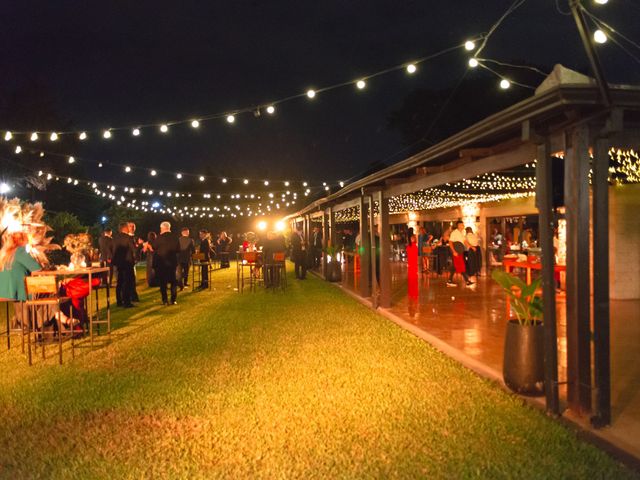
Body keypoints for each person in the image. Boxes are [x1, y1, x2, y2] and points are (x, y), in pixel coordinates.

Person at [153, 222, 180, 305]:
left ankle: (164, 300)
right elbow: (178, 249)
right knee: (173, 282)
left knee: (163, 282)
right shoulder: (175, 237)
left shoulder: (159, 238)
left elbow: (154, 248)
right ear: (169, 228)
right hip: (172, 262)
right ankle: (173, 299)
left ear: (162, 228)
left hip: (161, 263)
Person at [112, 222, 136, 308]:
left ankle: (119, 300)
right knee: (128, 282)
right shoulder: (128, 238)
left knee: (120, 281)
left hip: (118, 263)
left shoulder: (115, 238)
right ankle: (127, 301)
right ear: (125, 228)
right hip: (127, 262)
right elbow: (134, 249)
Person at [447, 220, 474, 288]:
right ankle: (467, 281)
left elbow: (464, 241)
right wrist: (454, 251)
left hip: (460, 251)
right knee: (460, 265)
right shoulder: (454, 233)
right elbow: (450, 242)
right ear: (458, 225)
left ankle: (450, 281)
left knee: (456, 265)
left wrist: (471, 247)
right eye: (462, 225)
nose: (463, 226)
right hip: (456, 251)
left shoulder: (462, 232)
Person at [128, 222, 142, 302]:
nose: (132, 228)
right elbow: (135, 249)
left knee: (133, 278)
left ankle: (132, 296)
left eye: (133, 226)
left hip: (133, 260)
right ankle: (132, 296)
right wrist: (139, 245)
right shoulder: (128, 238)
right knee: (131, 279)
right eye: (131, 226)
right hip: (129, 260)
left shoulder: (135, 237)